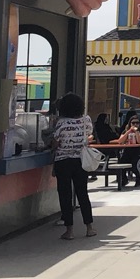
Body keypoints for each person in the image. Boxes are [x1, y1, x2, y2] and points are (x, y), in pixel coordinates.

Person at [46, 93, 95, 241]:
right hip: (80, 161)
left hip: (63, 161)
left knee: (65, 195)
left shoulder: (61, 123)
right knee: (83, 194)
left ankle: (70, 230)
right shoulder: (86, 120)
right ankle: (89, 228)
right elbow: (90, 135)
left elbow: (55, 142)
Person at [117, 113, 140, 189]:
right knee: (121, 163)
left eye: (137, 123)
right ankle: (124, 179)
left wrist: (136, 132)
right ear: (130, 123)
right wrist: (128, 132)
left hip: (139, 153)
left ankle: (138, 179)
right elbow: (120, 141)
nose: (135, 124)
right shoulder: (126, 131)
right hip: (128, 152)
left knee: (135, 165)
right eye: (133, 123)